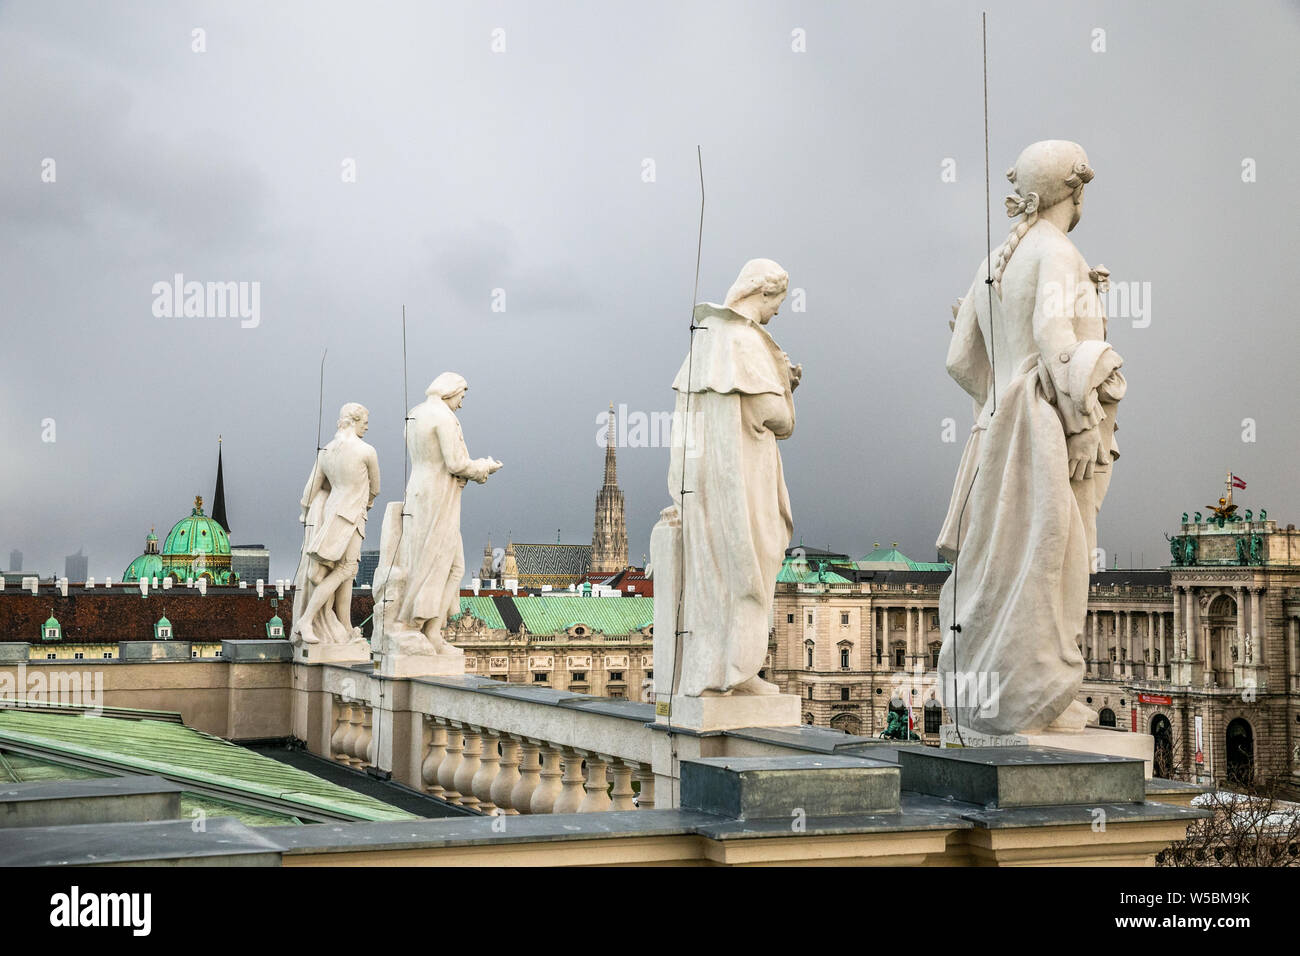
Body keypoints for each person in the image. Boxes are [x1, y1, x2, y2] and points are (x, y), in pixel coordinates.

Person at [937, 141, 1125, 734]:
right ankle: (1038, 697)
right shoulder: (1060, 252)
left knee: (996, 567)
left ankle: (991, 700)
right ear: (1075, 190)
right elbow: (1052, 332)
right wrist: (1086, 389)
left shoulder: (995, 261)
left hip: (993, 432)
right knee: (1052, 562)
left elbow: (958, 359)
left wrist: (994, 402)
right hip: (1043, 431)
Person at [656, 258, 799, 697]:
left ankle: (713, 671)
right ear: (763, 293)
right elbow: (772, 416)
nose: (777, 312)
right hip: (742, 486)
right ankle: (738, 674)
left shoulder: (705, 344)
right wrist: (787, 386)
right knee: (749, 571)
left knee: (712, 577)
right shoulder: (744, 342)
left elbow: (683, 429)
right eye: (778, 302)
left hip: (703, 488)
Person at [373, 373, 502, 657]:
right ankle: (415, 625)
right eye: (462, 397)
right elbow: (456, 462)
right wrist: (484, 467)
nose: (462, 404)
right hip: (437, 495)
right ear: (450, 392)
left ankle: (430, 630)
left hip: (420, 489)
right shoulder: (443, 417)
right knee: (438, 562)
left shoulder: (416, 414)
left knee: (444, 563)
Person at [292, 402, 380, 646]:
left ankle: (343, 624)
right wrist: (365, 502)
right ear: (353, 421)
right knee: (346, 570)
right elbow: (376, 488)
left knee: (332, 571)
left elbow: (310, 490)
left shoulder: (327, 451)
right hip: (352, 516)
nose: (366, 427)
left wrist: (305, 514)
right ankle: (307, 620)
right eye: (364, 423)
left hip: (329, 515)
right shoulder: (366, 451)